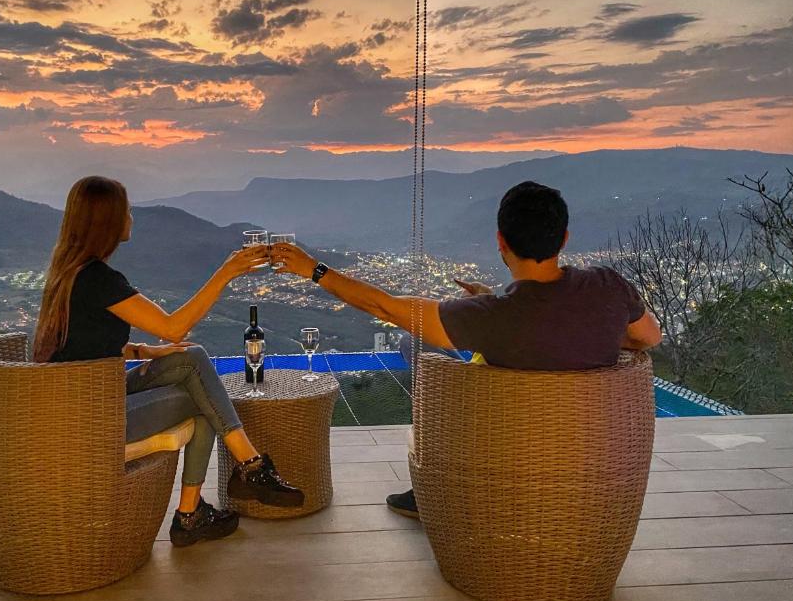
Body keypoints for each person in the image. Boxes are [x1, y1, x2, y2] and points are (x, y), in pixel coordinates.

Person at [271, 181, 661, 519]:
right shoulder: (609, 286)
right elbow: (649, 337)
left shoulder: (494, 317)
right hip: (597, 466)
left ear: (501, 241)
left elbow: (384, 306)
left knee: (437, 391)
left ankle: (437, 496)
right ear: (563, 239)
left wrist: (314, 270)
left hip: (503, 464)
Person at [34, 176, 304, 547]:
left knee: (190, 359)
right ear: (108, 221)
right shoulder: (98, 278)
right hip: (94, 417)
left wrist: (146, 352)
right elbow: (173, 327)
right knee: (200, 397)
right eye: (126, 210)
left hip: (80, 400)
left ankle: (233, 483)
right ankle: (231, 483)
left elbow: (82, 344)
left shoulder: (70, 272)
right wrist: (226, 271)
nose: (132, 216)